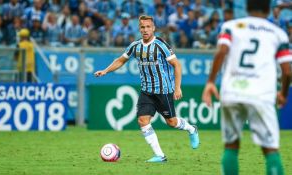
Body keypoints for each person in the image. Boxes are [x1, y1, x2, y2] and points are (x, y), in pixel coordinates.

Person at [202, 0, 292, 174]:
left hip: (232, 92)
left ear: (247, 7)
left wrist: (211, 82)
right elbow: (287, 72)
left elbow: (221, 51)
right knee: (270, 149)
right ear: (268, 9)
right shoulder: (278, 33)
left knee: (231, 146)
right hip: (261, 94)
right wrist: (283, 93)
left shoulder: (230, 27)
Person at [94, 15, 199, 163]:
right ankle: (160, 156)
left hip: (164, 91)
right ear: (139, 28)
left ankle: (191, 129)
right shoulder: (135, 46)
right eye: (142, 27)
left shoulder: (161, 45)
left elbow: (177, 65)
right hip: (147, 91)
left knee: (172, 122)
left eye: (148, 27)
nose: (145, 30)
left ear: (153, 28)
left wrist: (177, 88)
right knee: (143, 120)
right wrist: (105, 71)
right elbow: (120, 60)